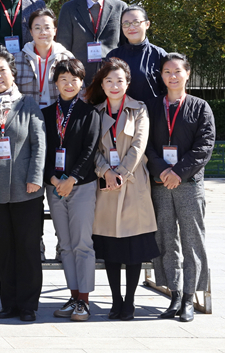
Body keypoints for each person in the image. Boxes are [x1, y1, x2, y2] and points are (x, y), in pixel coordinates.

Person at [0, 49, 46, 323]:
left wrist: (35, 177)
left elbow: (39, 145)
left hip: (26, 189)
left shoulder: (27, 104)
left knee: (27, 248)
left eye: (2, 70)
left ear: (12, 73)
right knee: (4, 250)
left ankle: (28, 305)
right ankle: (9, 303)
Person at [87, 57, 159, 321]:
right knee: (111, 249)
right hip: (106, 185)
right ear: (102, 84)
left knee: (133, 248)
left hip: (132, 183)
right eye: (109, 81)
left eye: (119, 80)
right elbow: (91, 149)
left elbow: (139, 145)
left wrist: (120, 174)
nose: (114, 85)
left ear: (127, 83)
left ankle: (129, 301)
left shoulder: (139, 110)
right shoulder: (95, 112)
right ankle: (115, 300)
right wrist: (105, 171)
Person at [146, 53, 215, 322]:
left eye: (177, 71)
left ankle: (189, 297)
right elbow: (145, 144)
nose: (172, 76)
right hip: (160, 182)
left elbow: (204, 146)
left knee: (191, 239)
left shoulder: (200, 107)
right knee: (165, 238)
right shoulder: (152, 106)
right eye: (167, 72)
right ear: (161, 76)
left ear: (187, 74)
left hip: (188, 183)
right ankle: (173, 294)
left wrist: (178, 173)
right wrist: (163, 171)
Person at [42, 57, 101, 322]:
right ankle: (73, 296)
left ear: (81, 83)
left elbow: (90, 151)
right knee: (65, 244)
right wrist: (54, 180)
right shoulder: (46, 114)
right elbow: (41, 151)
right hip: (54, 187)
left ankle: (84, 301)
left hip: (82, 186)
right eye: (63, 79)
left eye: (74, 79)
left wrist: (72, 178)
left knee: (82, 244)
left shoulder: (90, 114)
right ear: (55, 83)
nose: (68, 84)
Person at [57, 0, 129, 82]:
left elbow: (126, 46)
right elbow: (63, 49)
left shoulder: (120, 7)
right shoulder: (69, 9)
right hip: (79, 80)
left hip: (112, 80)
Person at [107, 6, 168, 105]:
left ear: (147, 24)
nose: (131, 28)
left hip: (152, 112)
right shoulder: (113, 56)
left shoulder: (159, 55)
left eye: (136, 22)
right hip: (120, 112)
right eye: (126, 24)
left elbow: (168, 89)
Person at [15, 8, 76, 108]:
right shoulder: (18, 59)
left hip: (59, 114)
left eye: (47, 28)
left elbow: (79, 90)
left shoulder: (67, 58)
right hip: (28, 114)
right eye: (37, 28)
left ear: (55, 31)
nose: (43, 32)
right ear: (31, 32)